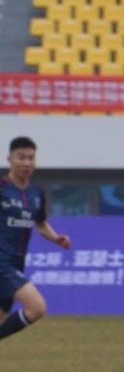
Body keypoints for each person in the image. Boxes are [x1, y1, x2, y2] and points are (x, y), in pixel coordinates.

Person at [0, 136, 71, 345]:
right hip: (1, 262)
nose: (26, 163)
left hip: (17, 262)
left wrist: (56, 239)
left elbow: (40, 224)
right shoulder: (1, 187)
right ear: (9, 159)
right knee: (37, 307)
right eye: (21, 157)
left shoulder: (37, 193)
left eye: (31, 158)